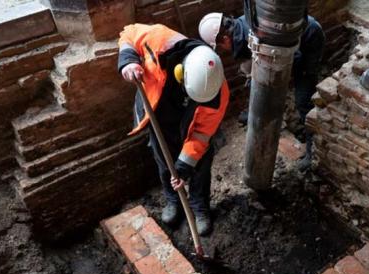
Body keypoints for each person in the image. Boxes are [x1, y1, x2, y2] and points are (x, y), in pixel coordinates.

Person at [118, 23, 229, 235]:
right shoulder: (159, 40)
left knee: (200, 165)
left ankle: (199, 207)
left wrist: (183, 168)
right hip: (159, 116)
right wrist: (127, 62)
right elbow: (128, 33)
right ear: (181, 73)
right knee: (163, 160)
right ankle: (173, 200)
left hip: (190, 127)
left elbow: (201, 135)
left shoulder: (217, 93)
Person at [198, 12, 325, 170]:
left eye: (221, 47)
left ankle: (312, 154)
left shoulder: (254, 35)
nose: (223, 51)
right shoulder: (240, 29)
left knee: (303, 100)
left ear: (225, 38)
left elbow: (292, 57)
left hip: (308, 41)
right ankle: (253, 109)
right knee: (253, 73)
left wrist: (274, 83)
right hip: (286, 41)